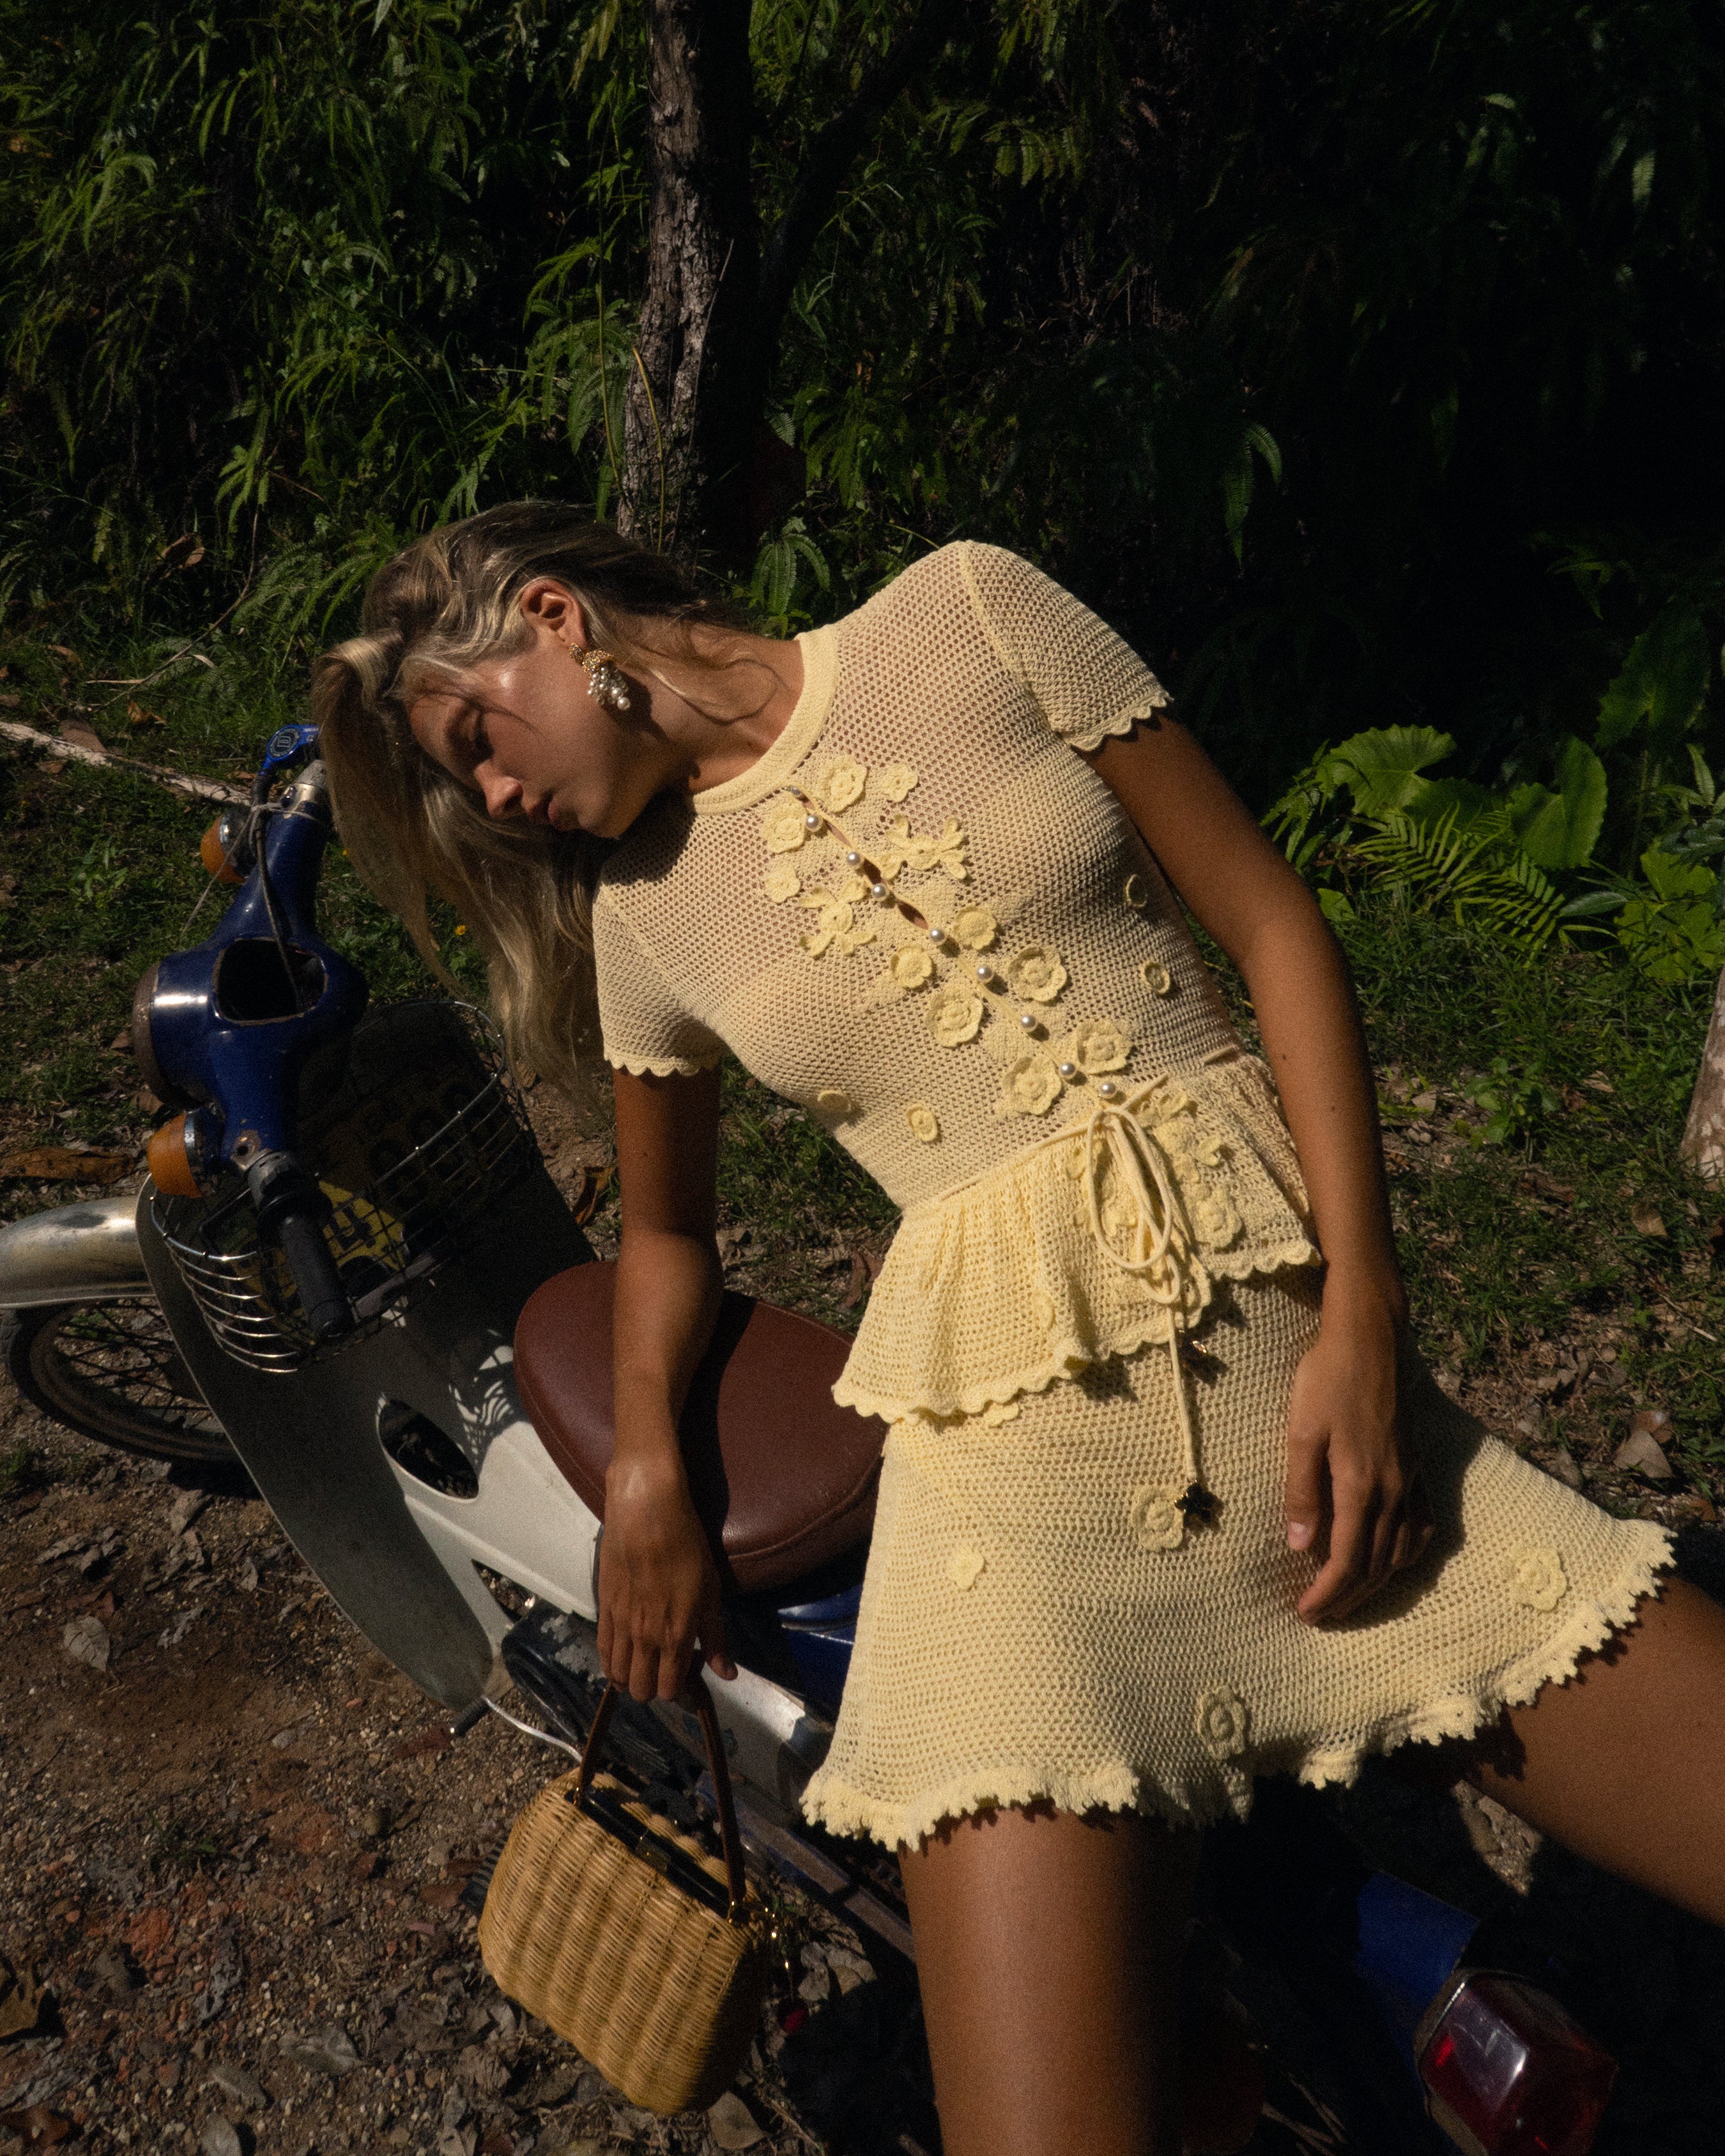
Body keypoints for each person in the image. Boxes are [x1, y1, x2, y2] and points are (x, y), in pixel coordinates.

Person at [317, 501, 1725, 2156]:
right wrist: (643, 1484)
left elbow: (1269, 927)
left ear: (554, 619)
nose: (490, 795)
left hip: (1323, 1442)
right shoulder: (639, 921)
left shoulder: (969, 612)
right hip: (1017, 1520)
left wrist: (1361, 1310)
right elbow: (671, 1238)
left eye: (473, 739)